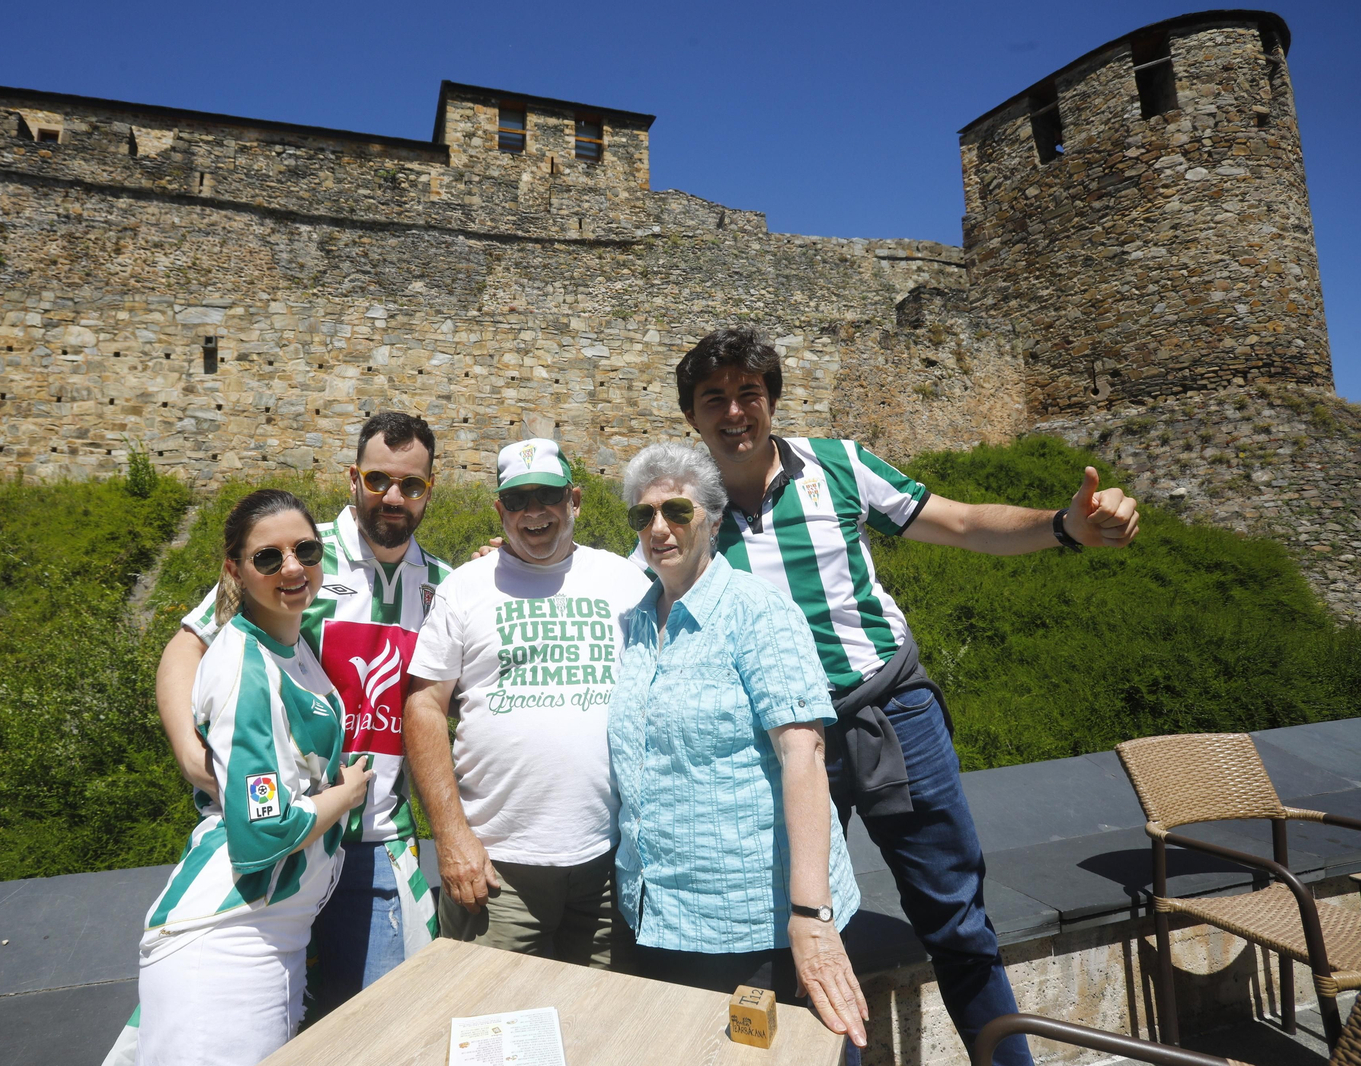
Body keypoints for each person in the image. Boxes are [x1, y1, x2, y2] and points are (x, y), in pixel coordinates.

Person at [673, 328, 1139, 1066]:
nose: (735, 412)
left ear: (772, 401)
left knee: (957, 920)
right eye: (714, 399)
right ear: (692, 418)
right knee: (799, 932)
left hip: (894, 713)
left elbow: (957, 522)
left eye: (748, 394)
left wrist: (1064, 526)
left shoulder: (839, 463)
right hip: (780, 747)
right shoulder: (685, 506)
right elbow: (633, 597)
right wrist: (514, 561)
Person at [157, 411, 452, 1009]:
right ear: (353, 478)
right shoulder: (294, 553)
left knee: (373, 1022)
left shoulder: (445, 582)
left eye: (411, 485)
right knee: (273, 1018)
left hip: (376, 839)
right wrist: (192, 755)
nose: (393, 496)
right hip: (286, 832)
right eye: (378, 480)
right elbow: (189, 645)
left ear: (428, 490)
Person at [610, 442, 869, 1060]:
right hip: (656, 914)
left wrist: (812, 916)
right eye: (642, 516)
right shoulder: (638, 622)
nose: (659, 528)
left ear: (714, 518)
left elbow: (803, 756)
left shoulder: (759, 615)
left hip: (752, 928)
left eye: (677, 510)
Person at [136, 489, 374, 1066]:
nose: (292, 568)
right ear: (235, 571)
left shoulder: (287, 643)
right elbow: (261, 834)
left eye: (306, 550)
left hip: (270, 935)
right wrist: (345, 795)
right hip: (229, 943)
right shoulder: (245, 663)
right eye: (268, 558)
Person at [403, 438, 650, 967]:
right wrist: (450, 838)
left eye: (548, 496)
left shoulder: (626, 582)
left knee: (598, 1026)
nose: (534, 512)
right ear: (500, 509)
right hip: (496, 864)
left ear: (575, 501)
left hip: (608, 861)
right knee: (489, 1023)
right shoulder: (466, 587)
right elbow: (424, 706)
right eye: (518, 500)